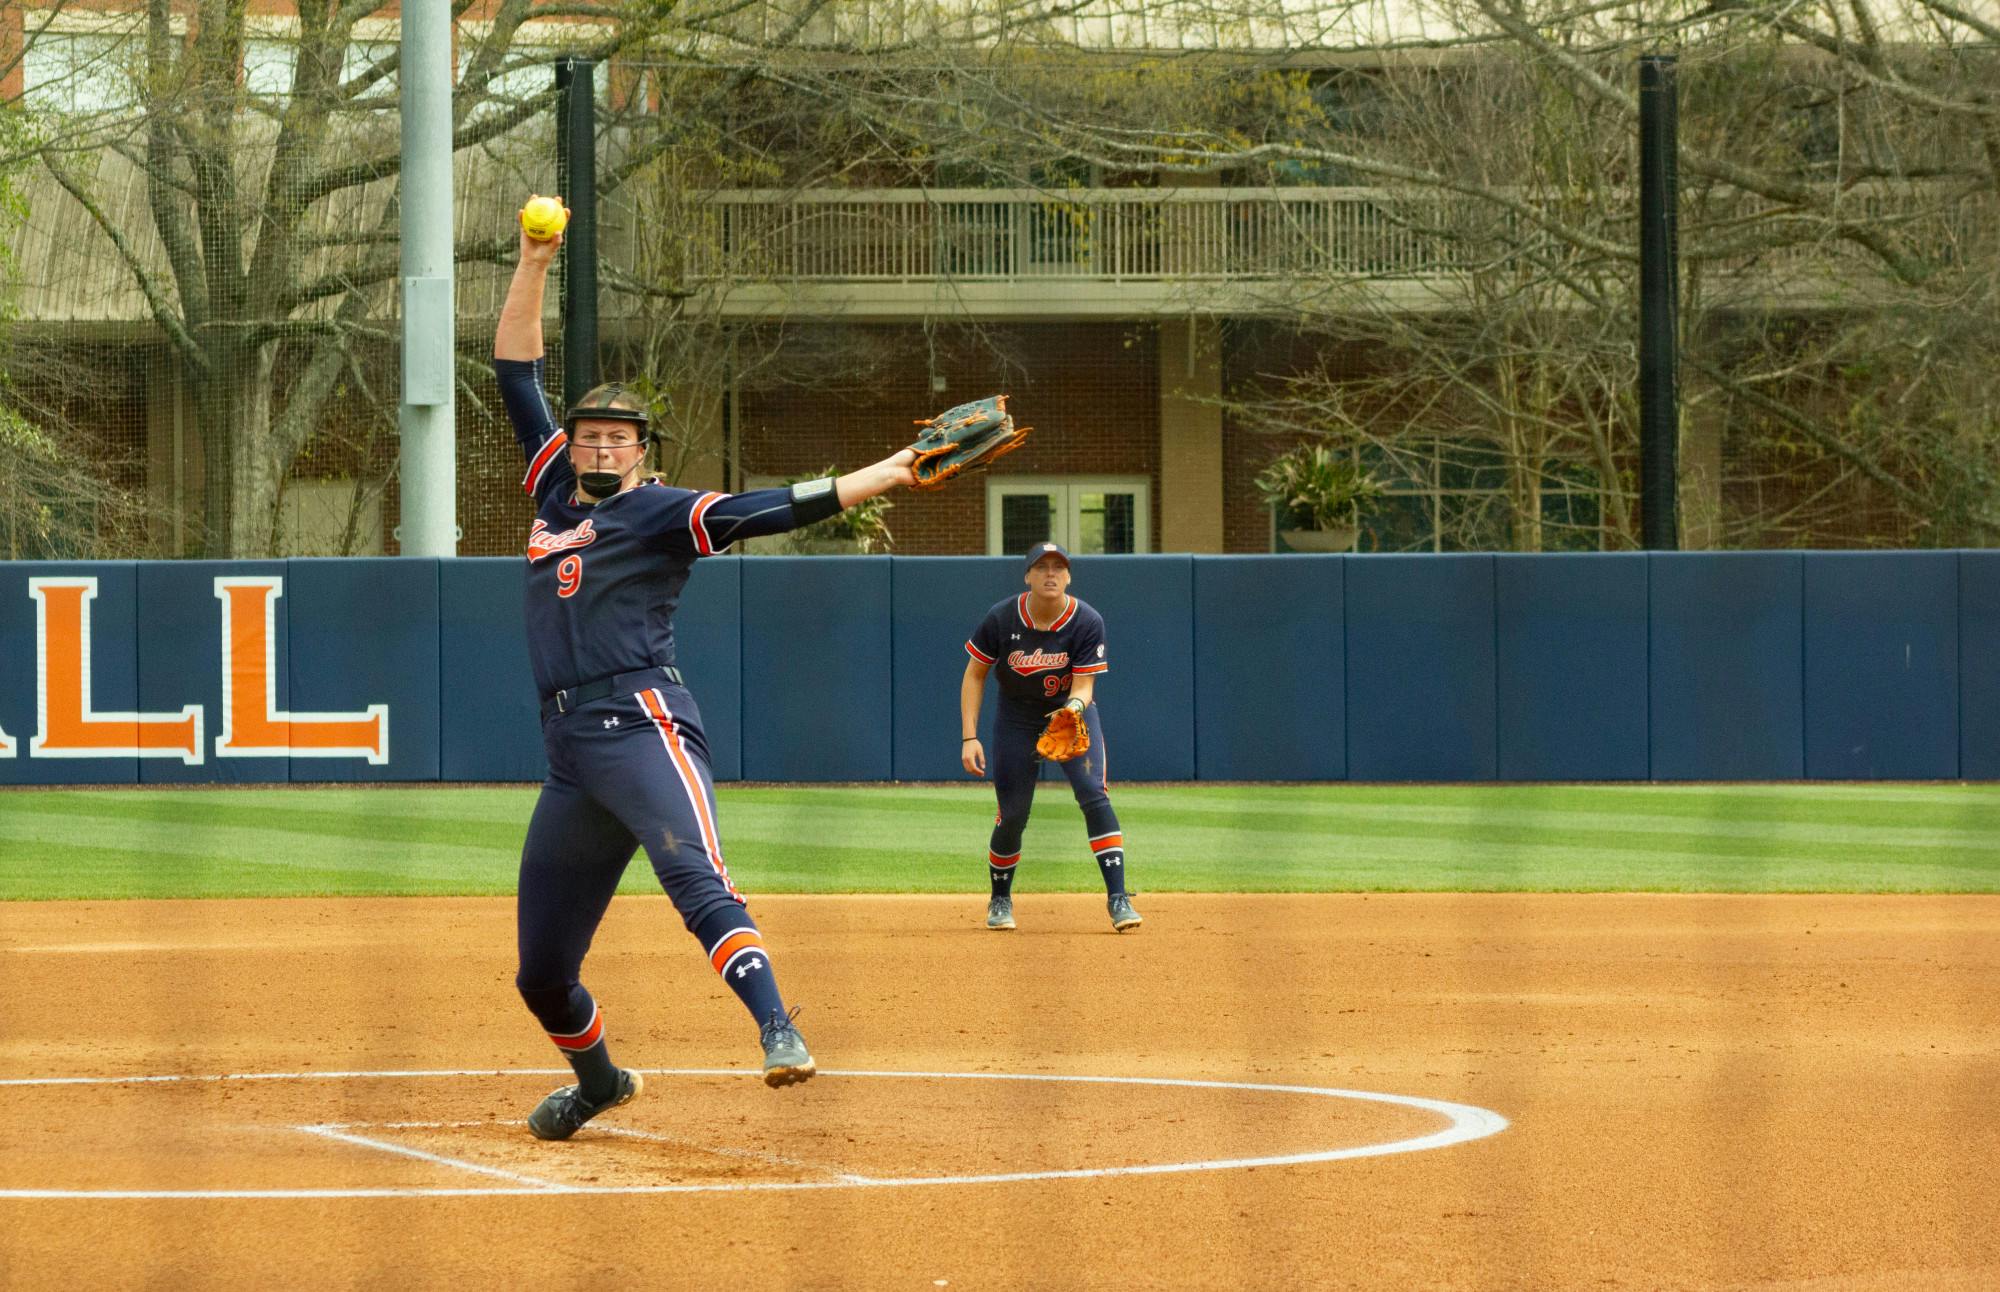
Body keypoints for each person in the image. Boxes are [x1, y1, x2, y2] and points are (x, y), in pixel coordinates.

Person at [495, 199, 919, 1141]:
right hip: (569, 751)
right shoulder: (556, 486)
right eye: (589, 433)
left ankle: (778, 1029)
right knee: (541, 973)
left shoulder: (661, 510)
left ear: (644, 454)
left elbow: (768, 511)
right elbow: (513, 368)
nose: (601, 445)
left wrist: (875, 477)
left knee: (695, 877)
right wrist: (532, 260)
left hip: (641, 721)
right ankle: (600, 1083)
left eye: (619, 437)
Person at [959, 542, 1140, 934]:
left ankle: (1118, 897)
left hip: (1071, 711)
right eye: (1041, 567)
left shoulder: (1087, 620)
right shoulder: (1001, 617)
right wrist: (968, 736)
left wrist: (1072, 710)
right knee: (1013, 814)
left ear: (1069, 576)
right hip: (1017, 719)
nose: (1051, 574)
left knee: (1094, 794)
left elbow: (1085, 685)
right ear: (1027, 576)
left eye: (1059, 567)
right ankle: (1000, 899)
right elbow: (975, 674)